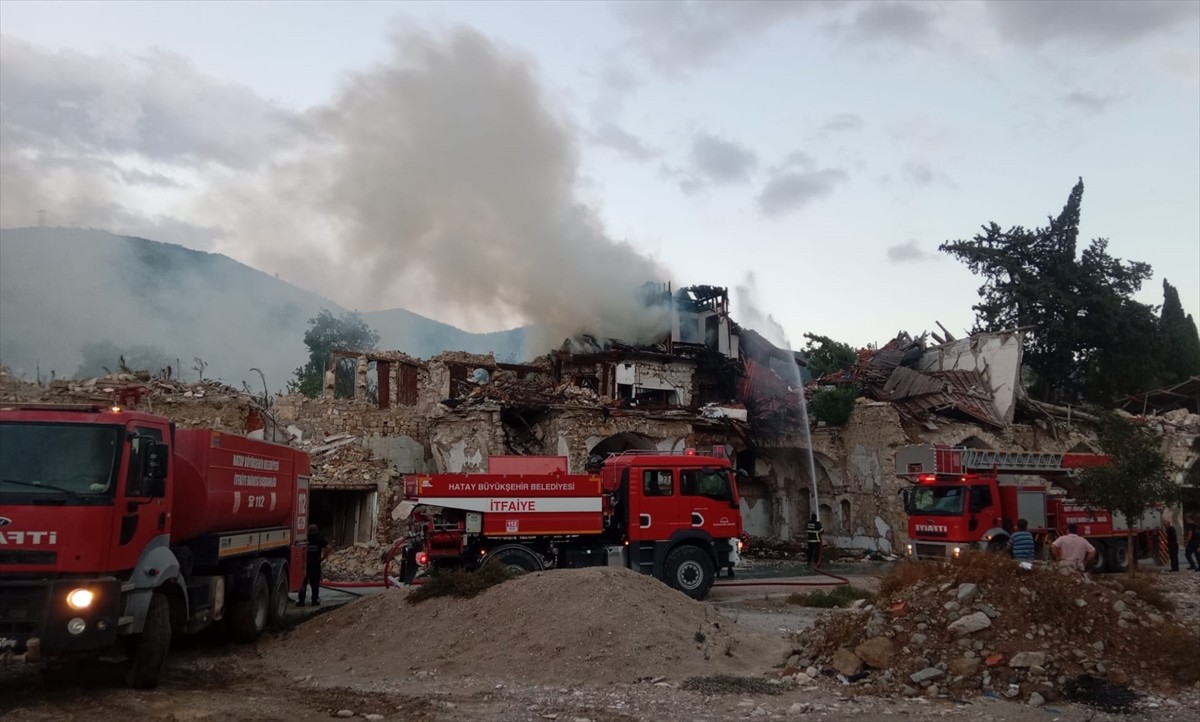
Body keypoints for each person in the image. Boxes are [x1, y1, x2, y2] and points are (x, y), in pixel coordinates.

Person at [297, 524, 329, 607]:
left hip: (306, 563)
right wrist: (323, 558)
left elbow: (300, 549)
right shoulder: (320, 538)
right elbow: (329, 547)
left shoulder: (305, 539)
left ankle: (301, 601)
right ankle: (314, 601)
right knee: (315, 583)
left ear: (308, 530)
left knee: (303, 582)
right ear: (317, 530)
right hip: (316, 562)